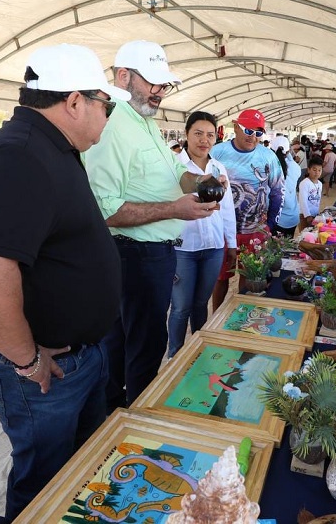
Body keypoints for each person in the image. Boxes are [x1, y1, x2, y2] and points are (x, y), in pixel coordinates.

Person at [0, 43, 130, 520]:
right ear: (75, 102)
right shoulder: (20, 154)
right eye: (104, 104)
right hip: (44, 369)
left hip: (77, 356)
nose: (106, 116)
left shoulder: (51, 147)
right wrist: (28, 360)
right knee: (44, 487)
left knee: (77, 474)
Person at [84, 40, 219, 412]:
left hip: (151, 253)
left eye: (164, 84)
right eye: (153, 82)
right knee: (140, 346)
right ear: (123, 76)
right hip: (132, 252)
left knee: (137, 340)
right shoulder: (111, 127)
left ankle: (122, 412)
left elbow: (175, 171)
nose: (160, 91)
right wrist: (175, 209)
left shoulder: (143, 122)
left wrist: (199, 185)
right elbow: (105, 209)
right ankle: (132, 420)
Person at [167, 112, 236, 358]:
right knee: (180, 307)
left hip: (213, 248)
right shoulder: (173, 165)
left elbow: (228, 211)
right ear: (186, 135)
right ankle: (175, 355)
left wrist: (232, 245)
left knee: (200, 304)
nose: (204, 140)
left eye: (209, 135)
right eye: (198, 133)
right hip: (182, 248)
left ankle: (198, 352)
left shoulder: (219, 168)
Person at [209, 108, 285, 309]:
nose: (253, 137)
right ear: (235, 127)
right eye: (248, 131)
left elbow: (278, 192)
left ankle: (239, 316)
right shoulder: (217, 152)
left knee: (249, 275)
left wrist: (269, 225)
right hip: (223, 231)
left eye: (258, 133)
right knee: (221, 277)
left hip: (254, 231)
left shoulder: (268, 157)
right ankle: (215, 316)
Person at [272, 135, 301, 237]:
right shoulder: (295, 167)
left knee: (274, 249)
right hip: (292, 217)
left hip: (277, 218)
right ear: (289, 151)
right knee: (288, 246)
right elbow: (291, 163)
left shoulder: (271, 167)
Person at [299, 155, 323, 229]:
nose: (317, 173)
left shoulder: (320, 184)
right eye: (314, 170)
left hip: (315, 214)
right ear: (308, 170)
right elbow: (303, 201)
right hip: (305, 215)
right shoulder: (305, 183)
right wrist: (308, 216)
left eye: (319, 170)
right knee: (304, 235)